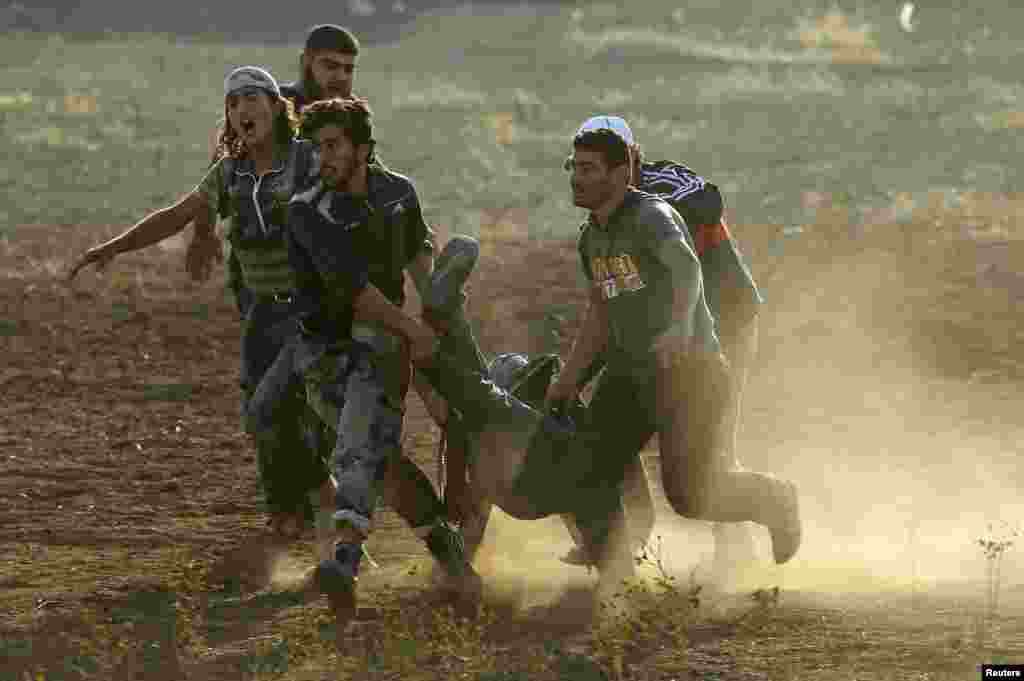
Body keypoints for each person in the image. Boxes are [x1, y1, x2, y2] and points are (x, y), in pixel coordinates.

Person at [67, 66, 332, 539]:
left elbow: (357, 187)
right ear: (228, 119)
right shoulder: (230, 173)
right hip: (264, 312)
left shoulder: (308, 159)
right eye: (234, 103)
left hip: (311, 310)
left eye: (254, 97)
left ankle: (320, 505)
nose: (243, 108)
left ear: (276, 106)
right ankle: (289, 510)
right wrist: (111, 248)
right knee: (261, 417)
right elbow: (177, 216)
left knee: (271, 411)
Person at [542, 127, 801, 581]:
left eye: (588, 169)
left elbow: (687, 274)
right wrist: (570, 378)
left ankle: (776, 501)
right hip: (633, 375)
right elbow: (601, 314)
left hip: (691, 372)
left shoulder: (653, 217)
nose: (576, 179)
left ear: (621, 174)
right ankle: (617, 582)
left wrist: (679, 332)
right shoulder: (592, 238)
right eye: (573, 168)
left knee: (692, 497)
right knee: (585, 468)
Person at [277, 97, 481, 638]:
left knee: (356, 441)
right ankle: (450, 552)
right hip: (323, 354)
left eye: (332, 146)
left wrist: (445, 331)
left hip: (380, 343)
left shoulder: (398, 194)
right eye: (314, 147)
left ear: (362, 149)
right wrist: (418, 334)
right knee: (382, 462)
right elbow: (357, 293)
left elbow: (422, 269)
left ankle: (344, 559)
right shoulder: (306, 210)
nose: (321, 157)